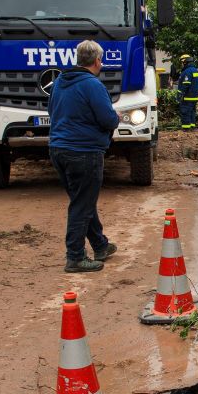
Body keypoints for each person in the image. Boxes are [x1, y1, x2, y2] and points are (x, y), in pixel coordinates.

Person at [48, 40, 120, 273]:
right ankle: (75, 257)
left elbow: (52, 111)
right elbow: (107, 119)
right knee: (82, 205)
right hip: (84, 151)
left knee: (82, 201)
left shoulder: (60, 81)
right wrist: (116, 116)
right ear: (98, 60)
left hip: (58, 149)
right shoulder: (93, 85)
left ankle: (100, 245)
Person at [177, 53, 198, 129]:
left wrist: (180, 95)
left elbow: (185, 84)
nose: (181, 64)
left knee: (185, 112)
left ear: (185, 62)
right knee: (192, 112)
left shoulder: (187, 72)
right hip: (195, 96)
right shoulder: (196, 70)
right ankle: (192, 126)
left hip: (188, 96)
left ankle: (186, 128)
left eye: (181, 62)